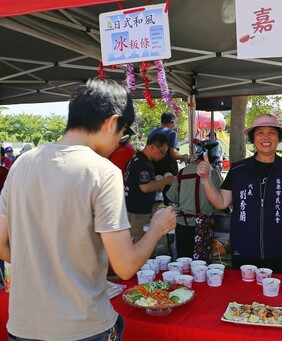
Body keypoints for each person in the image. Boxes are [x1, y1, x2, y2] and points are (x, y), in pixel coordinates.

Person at [0, 78, 176, 340]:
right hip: (82, 327)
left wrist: (44, 263)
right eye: (122, 133)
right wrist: (158, 228)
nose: (119, 142)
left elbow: (2, 244)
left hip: (24, 326)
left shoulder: (22, 164)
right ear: (110, 122)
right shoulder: (101, 171)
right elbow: (125, 266)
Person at [197, 114, 282, 274]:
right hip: (243, 249)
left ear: (278, 138)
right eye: (260, 133)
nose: (266, 137)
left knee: (274, 295)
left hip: (279, 250)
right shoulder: (238, 170)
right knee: (243, 296)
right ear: (253, 138)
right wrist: (206, 180)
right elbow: (220, 202)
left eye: (271, 133)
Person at [167, 139, 223, 262]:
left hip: (182, 224)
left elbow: (172, 197)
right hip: (202, 226)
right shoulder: (212, 173)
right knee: (200, 266)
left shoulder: (182, 173)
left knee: (183, 263)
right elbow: (220, 202)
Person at [124, 133, 175, 243]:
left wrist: (156, 185)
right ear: (152, 147)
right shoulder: (144, 164)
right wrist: (165, 181)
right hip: (138, 211)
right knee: (139, 242)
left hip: (132, 207)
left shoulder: (138, 157)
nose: (163, 156)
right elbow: (145, 187)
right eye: (162, 153)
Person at [148, 112, 189, 205]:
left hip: (154, 166)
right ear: (172, 122)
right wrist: (183, 157)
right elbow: (173, 154)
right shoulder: (171, 134)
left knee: (155, 196)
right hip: (168, 167)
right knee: (170, 197)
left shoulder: (152, 132)